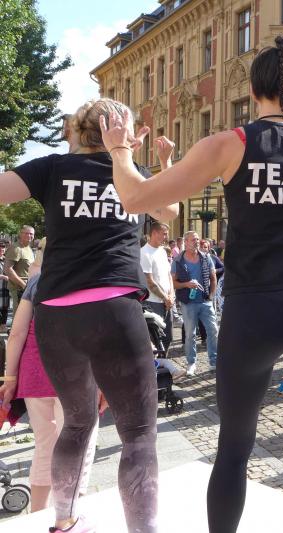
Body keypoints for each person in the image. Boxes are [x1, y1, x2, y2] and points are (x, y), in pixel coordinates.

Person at [99, 36, 283, 533]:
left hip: (250, 310)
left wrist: (120, 149)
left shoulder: (229, 144)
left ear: (252, 92)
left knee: (233, 452)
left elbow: (135, 196)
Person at [1, 97, 179, 533]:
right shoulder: (130, 175)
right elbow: (169, 211)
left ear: (79, 129)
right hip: (115, 310)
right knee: (138, 433)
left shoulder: (52, 168)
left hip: (56, 316)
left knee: (77, 423)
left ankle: (63, 521)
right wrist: (140, 161)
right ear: (122, 131)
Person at [0, 246, 99, 513]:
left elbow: (17, 333)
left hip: (35, 374)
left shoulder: (37, 282)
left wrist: (10, 377)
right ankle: (69, 518)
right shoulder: (91, 279)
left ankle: (38, 515)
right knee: (79, 448)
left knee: (45, 447)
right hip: (76, 377)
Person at [172, 231, 218, 375]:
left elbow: (213, 277)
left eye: (198, 239)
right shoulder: (178, 261)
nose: (197, 242)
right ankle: (191, 363)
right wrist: (186, 284)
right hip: (188, 303)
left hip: (205, 301)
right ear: (186, 242)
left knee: (213, 330)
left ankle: (214, 361)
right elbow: (173, 283)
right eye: (193, 240)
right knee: (190, 334)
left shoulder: (206, 257)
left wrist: (211, 296)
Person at [141, 222, 175, 350]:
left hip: (167, 301)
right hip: (153, 302)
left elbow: (168, 275)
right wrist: (166, 298)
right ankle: (156, 362)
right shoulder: (144, 253)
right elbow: (149, 282)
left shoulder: (162, 251)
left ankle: (164, 360)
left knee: (168, 337)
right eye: (164, 234)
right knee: (156, 339)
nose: (166, 237)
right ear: (154, 233)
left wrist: (171, 295)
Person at [3, 225, 35, 317]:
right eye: (26, 233)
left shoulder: (28, 248)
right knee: (19, 317)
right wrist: (23, 285)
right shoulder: (16, 248)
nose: (29, 236)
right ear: (20, 234)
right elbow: (8, 269)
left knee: (27, 317)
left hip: (28, 287)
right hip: (19, 289)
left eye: (31, 234)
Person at [0, 241, 9, 331]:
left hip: (6, 287)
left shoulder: (6, 260)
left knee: (5, 307)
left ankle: (3, 326)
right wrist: (2, 276)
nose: (2, 249)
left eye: (3, 248)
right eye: (0, 247)